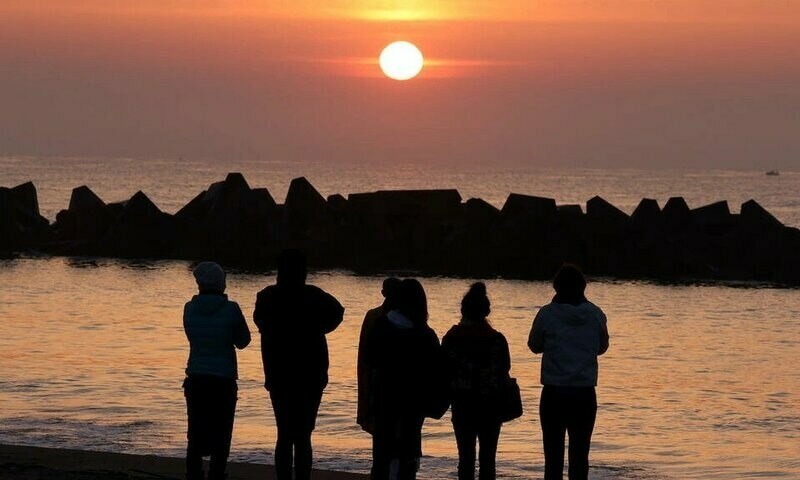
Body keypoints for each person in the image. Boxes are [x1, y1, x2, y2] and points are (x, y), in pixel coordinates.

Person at [253, 249, 345, 480]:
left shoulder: (267, 297)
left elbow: (260, 322)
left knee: (284, 433)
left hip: (279, 373)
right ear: (303, 272)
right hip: (310, 375)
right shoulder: (314, 295)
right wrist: (319, 328)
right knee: (304, 435)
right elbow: (338, 312)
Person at [528, 264, 609, 480]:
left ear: (557, 288)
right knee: (580, 457)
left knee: (552, 458)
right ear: (583, 287)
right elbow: (602, 347)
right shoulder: (596, 314)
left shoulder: (547, 313)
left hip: (554, 393)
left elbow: (534, 345)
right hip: (584, 393)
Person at [367, 278, 446, 480]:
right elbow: (436, 372)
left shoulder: (380, 325)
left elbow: (371, 361)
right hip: (413, 403)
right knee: (408, 454)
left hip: (384, 398)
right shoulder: (425, 334)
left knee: (382, 454)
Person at [183, 261, 251, 480]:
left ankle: (193, 473)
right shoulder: (231, 309)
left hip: (195, 376)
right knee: (222, 432)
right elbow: (243, 341)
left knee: (195, 430)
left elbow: (193, 337)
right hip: (223, 379)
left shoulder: (189, 308)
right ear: (221, 283)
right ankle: (216, 473)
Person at [442, 282, 511, 480]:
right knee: (488, 459)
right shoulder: (496, 339)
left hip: (462, 404)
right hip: (490, 406)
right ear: (486, 311)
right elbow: (503, 370)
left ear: (463, 310)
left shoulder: (452, 338)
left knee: (465, 458)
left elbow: (443, 371)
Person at [358, 277, 402, 473]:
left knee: (381, 443)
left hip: (379, 387)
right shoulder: (407, 318)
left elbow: (364, 358)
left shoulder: (374, 316)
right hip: (389, 388)